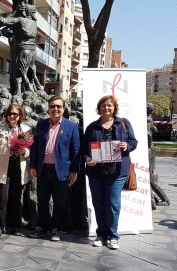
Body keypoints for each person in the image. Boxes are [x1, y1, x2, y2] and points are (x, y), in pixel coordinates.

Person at [82, 95, 138, 250]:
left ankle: (113, 236)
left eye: (109, 106)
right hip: (96, 172)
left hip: (117, 171)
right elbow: (84, 149)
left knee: (113, 204)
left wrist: (127, 146)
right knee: (98, 203)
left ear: (114, 108)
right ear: (99, 108)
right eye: (103, 106)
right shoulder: (92, 127)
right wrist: (87, 159)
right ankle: (101, 234)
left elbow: (134, 142)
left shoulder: (123, 124)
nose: (106, 108)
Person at [29, 96, 80, 242]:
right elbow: (35, 147)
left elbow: (76, 150)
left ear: (63, 108)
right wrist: (33, 165)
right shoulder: (42, 125)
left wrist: (74, 171)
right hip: (43, 169)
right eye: (52, 106)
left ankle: (55, 228)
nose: (55, 109)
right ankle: (42, 227)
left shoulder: (71, 126)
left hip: (62, 171)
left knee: (59, 202)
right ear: (48, 108)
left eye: (58, 106)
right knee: (42, 200)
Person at [0, 103, 32, 238]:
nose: (12, 116)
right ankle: (0, 225)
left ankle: (16, 225)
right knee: (2, 198)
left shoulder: (26, 130)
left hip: (19, 167)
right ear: (6, 116)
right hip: (3, 167)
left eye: (15, 114)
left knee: (16, 198)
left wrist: (25, 151)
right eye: (10, 114)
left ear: (20, 116)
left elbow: (31, 150)